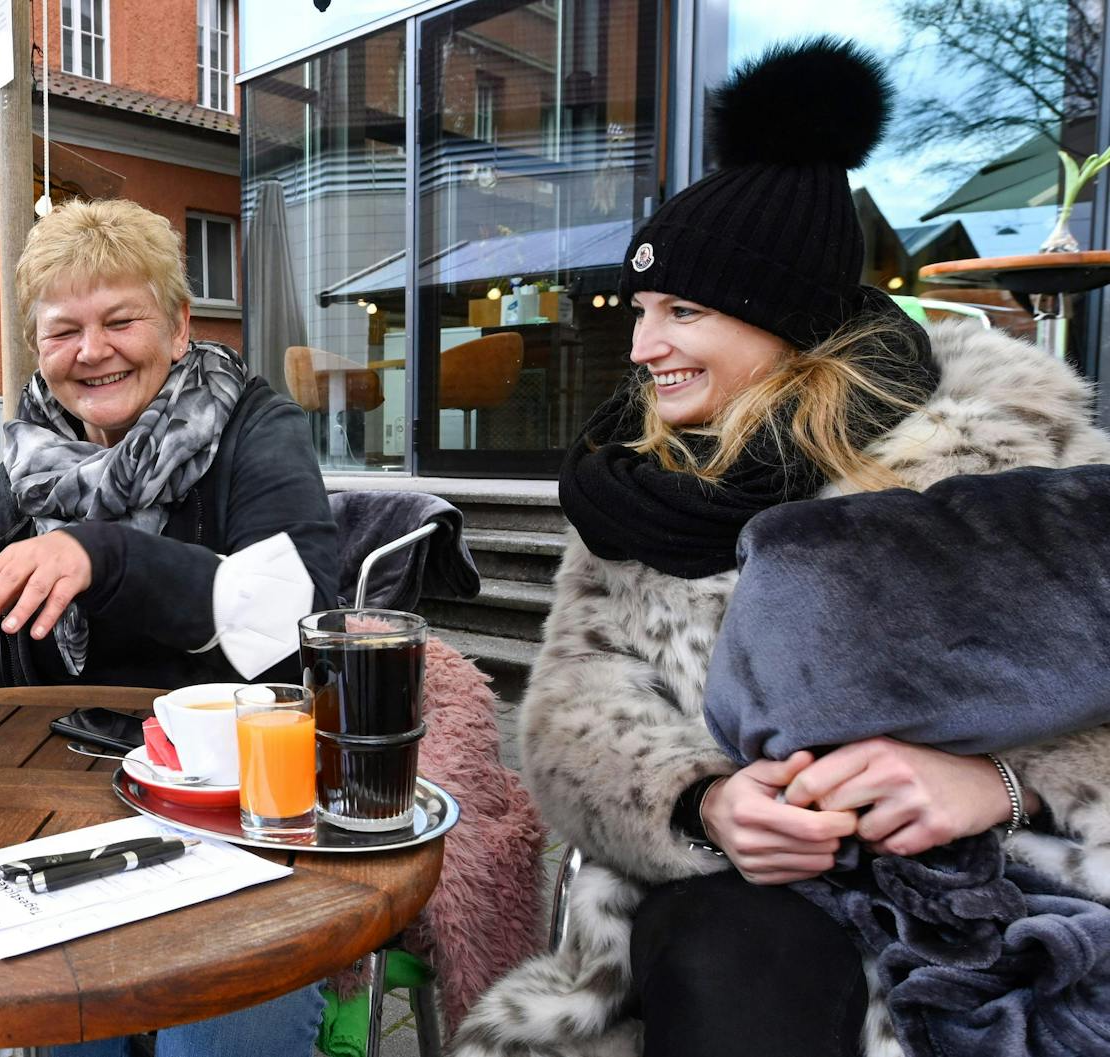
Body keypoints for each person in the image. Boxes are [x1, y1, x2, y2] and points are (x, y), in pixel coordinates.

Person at [451, 37, 1110, 1057]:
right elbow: (574, 705)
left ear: (785, 322)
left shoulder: (1010, 460)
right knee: (742, 967)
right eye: (638, 311)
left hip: (1009, 896)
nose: (638, 348)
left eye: (681, 310)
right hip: (736, 900)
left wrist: (999, 784)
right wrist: (698, 800)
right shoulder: (641, 488)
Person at [0, 198, 338, 1056]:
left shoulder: (255, 427)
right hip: (73, 815)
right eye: (63, 331)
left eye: (119, 320)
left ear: (176, 327)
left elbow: (304, 618)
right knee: (67, 1033)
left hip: (245, 815)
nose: (91, 351)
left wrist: (110, 555)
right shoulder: (21, 470)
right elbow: (0, 682)